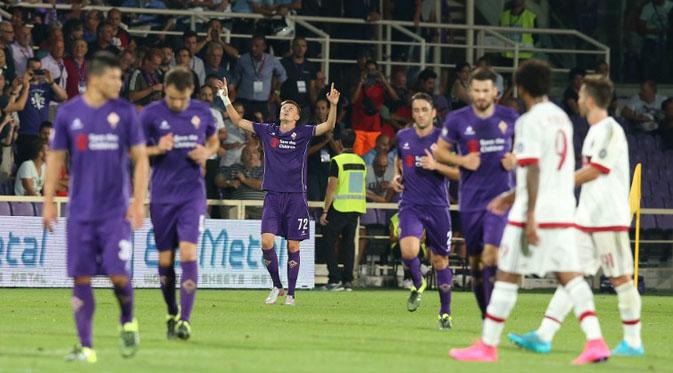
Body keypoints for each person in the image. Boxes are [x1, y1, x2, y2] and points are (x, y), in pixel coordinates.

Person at [449, 60, 610, 364]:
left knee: (507, 275)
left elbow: (533, 168)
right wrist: (509, 197)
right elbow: (548, 169)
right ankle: (596, 340)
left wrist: (530, 212)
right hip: (562, 207)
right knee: (570, 277)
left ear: (520, 87)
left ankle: (487, 345)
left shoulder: (528, 122)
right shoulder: (561, 117)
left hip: (534, 212)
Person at [508, 76, 644, 357]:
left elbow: (596, 170)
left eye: (581, 95)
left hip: (608, 218)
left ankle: (633, 341)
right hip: (587, 219)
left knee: (620, 279)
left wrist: (557, 180)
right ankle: (544, 334)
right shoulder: (594, 131)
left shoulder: (609, 130)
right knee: (570, 277)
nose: (578, 100)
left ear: (590, 100)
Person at [42, 52, 150, 363]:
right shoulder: (69, 113)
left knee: (118, 275)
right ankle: (86, 347)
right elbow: (56, 158)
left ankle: (128, 320)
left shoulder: (126, 112)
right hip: (79, 213)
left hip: (115, 211)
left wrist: (139, 202)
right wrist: (49, 202)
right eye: (114, 78)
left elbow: (141, 159)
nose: (120, 83)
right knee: (81, 277)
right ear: (95, 79)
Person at [217, 77, 340, 306]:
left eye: (291, 108)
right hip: (273, 196)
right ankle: (276, 285)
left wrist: (333, 105)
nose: (286, 109)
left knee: (293, 245)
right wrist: (225, 97)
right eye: (284, 107)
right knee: (266, 242)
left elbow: (328, 127)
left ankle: (291, 294)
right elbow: (237, 120)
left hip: (296, 197)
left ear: (296, 117)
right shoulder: (267, 131)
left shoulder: (303, 133)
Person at [140, 67, 218, 341]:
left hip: (191, 195)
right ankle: (171, 310)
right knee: (165, 259)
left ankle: (185, 320)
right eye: (172, 98)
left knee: (187, 253)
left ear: (190, 93)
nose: (176, 104)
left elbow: (214, 140)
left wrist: (206, 152)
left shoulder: (202, 112)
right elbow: (133, 150)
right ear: (164, 89)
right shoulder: (150, 114)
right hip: (162, 196)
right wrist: (156, 148)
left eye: (182, 99)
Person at [434, 68, 518, 319]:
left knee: (491, 253)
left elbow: (527, 147)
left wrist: (516, 158)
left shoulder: (510, 117)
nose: (481, 95)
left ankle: (495, 316)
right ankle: (487, 313)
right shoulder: (458, 119)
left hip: (500, 198)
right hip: (470, 200)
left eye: (486, 90)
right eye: (477, 90)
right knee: (476, 264)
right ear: (470, 91)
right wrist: (462, 160)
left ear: (495, 92)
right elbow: (440, 151)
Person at [390, 92, 459, 329]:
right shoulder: (403, 136)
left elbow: (459, 172)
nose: (419, 114)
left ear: (433, 113)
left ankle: (445, 313)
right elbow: (400, 162)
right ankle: (418, 282)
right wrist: (397, 177)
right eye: (416, 110)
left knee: (440, 260)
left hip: (438, 207)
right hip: (410, 204)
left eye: (424, 110)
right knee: (408, 251)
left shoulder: (444, 140)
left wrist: (436, 165)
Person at [320, 129, 365, 291]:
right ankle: (347, 280)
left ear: (339, 142)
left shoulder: (337, 161)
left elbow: (331, 188)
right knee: (348, 245)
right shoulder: (361, 162)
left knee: (328, 242)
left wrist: (325, 211)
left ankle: (334, 279)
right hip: (355, 208)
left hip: (339, 208)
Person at [16, 58, 67, 166]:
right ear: (27, 69)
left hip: (43, 136)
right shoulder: (21, 85)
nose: (36, 72)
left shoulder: (45, 87)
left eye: (39, 69)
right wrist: (24, 81)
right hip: (26, 133)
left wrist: (51, 82)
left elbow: (64, 97)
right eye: (32, 69)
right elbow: (12, 96)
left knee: (41, 168)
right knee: (24, 166)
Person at [232, 35, 287, 121]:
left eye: (257, 46)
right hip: (244, 100)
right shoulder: (243, 59)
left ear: (264, 47)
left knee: (261, 128)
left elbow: (282, 76)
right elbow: (236, 77)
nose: (253, 48)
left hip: (263, 102)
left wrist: (276, 92)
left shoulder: (272, 60)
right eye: (252, 46)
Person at [307, 98, 343, 201]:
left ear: (328, 110)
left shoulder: (335, 127)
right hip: (313, 171)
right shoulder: (310, 128)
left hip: (329, 171)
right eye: (318, 108)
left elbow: (339, 152)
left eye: (323, 108)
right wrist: (324, 142)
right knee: (314, 200)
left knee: (328, 200)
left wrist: (329, 137)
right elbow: (306, 152)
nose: (320, 111)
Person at [280, 36, 319, 122]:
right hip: (287, 107)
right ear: (292, 47)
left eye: (303, 46)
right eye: (297, 45)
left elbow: (312, 88)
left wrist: (315, 105)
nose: (300, 48)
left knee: (302, 134)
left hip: (304, 107)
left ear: (306, 48)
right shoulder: (284, 63)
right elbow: (277, 86)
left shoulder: (310, 66)